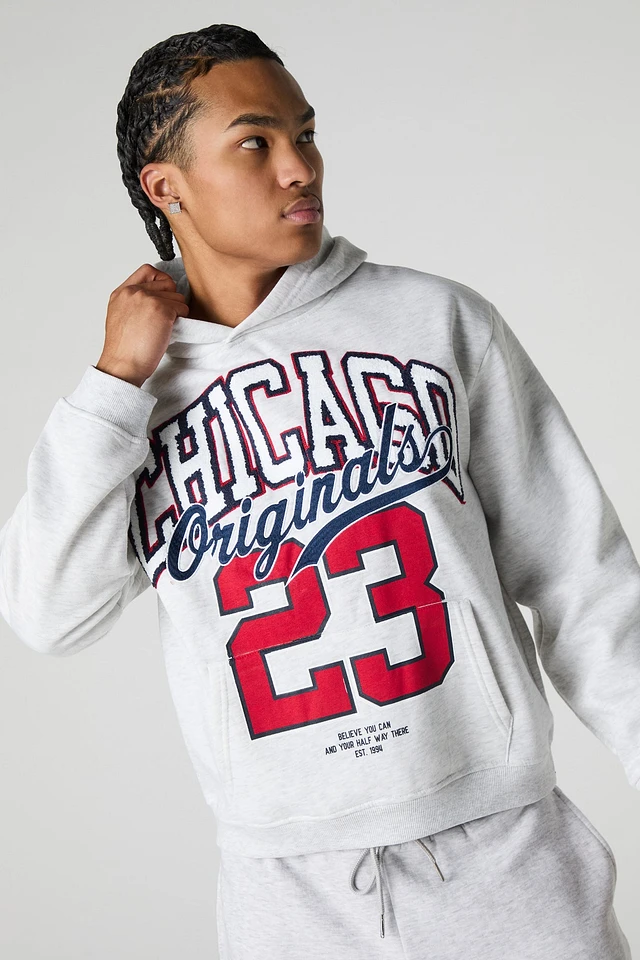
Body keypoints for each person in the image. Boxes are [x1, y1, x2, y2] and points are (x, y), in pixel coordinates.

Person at [0, 21, 636, 960]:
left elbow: (583, 578)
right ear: (165, 186)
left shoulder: (435, 322)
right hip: (287, 893)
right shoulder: (134, 398)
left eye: (304, 134)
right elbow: (51, 615)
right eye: (254, 143)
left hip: (504, 856)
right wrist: (113, 385)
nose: (300, 167)